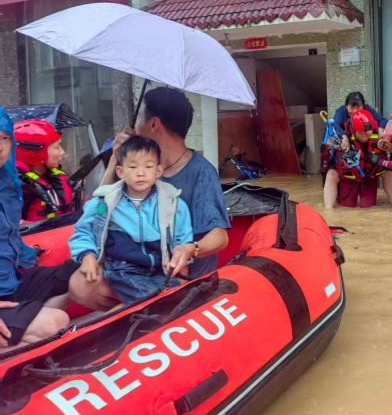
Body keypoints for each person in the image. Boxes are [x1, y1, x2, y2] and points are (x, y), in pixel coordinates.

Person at [70, 88, 229, 311]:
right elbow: (102, 204)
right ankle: (141, 311)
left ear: (154, 124)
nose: (133, 128)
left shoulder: (201, 172)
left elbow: (220, 236)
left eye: (138, 120)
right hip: (136, 266)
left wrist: (188, 250)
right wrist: (117, 157)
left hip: (179, 272)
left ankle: (147, 313)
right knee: (80, 285)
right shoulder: (137, 169)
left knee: (147, 298)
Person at [69, 136, 193, 306]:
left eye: (148, 166)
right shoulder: (104, 202)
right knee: (155, 302)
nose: (140, 173)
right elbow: (84, 231)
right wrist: (87, 256)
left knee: (179, 299)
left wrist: (180, 262)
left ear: (158, 171)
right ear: (120, 171)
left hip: (160, 268)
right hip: (123, 267)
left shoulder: (174, 203)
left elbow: (183, 240)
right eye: (133, 167)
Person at [0, 108, 75, 350]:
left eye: (5, 138)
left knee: (80, 274)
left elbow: (11, 238)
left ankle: (25, 322)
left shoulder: (7, 183)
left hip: (10, 282)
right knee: (55, 322)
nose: (1, 146)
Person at [323, 109, 392, 209]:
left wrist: (390, 148)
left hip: (369, 178)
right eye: (361, 134)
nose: (364, 137)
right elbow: (326, 148)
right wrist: (339, 147)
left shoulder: (379, 133)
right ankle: (328, 211)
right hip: (348, 179)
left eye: (367, 134)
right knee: (331, 175)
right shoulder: (342, 135)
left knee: (387, 173)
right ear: (354, 130)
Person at [14, 120, 75, 222]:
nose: (62, 152)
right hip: (39, 232)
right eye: (57, 147)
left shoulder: (55, 177)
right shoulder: (15, 187)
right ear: (36, 153)